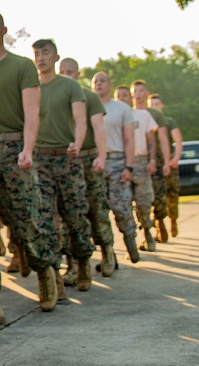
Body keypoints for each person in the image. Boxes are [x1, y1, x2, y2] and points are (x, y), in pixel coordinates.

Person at [0, 11, 57, 311]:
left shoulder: (22, 66)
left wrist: (28, 148)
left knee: (26, 221)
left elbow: (32, 112)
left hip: (15, 150)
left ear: (4, 31)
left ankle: (46, 273)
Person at [32, 40, 92, 305]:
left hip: (67, 159)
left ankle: (81, 263)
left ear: (55, 57)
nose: (40, 58)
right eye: (36, 53)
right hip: (40, 161)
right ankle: (53, 276)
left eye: (45, 53)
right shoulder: (31, 88)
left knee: (75, 216)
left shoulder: (70, 86)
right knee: (45, 221)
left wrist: (77, 144)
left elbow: (80, 119)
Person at [59, 59, 114, 278]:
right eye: (62, 72)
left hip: (88, 157)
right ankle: (72, 264)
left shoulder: (89, 97)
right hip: (64, 160)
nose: (66, 75)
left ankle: (107, 252)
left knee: (96, 208)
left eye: (70, 72)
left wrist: (101, 156)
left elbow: (99, 129)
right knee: (68, 214)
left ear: (78, 73)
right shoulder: (53, 96)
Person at [92, 72, 141, 263]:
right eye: (96, 82)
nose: (99, 85)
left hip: (117, 161)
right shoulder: (89, 107)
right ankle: (108, 253)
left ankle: (131, 243)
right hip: (96, 163)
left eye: (103, 81)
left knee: (121, 207)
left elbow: (129, 139)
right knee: (98, 211)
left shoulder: (121, 108)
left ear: (110, 85)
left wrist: (129, 167)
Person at [125, 81, 160, 252]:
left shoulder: (144, 115)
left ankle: (147, 233)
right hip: (123, 162)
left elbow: (151, 141)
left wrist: (152, 160)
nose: (137, 94)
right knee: (125, 203)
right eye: (134, 92)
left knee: (144, 201)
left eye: (140, 91)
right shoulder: (123, 114)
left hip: (141, 161)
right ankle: (131, 242)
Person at [149, 93, 183, 238]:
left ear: (162, 106)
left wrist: (175, 158)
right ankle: (159, 225)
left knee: (172, 194)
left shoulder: (169, 121)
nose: (154, 107)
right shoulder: (147, 121)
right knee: (156, 195)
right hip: (153, 163)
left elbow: (178, 140)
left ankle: (173, 221)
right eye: (152, 104)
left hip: (168, 161)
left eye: (157, 104)